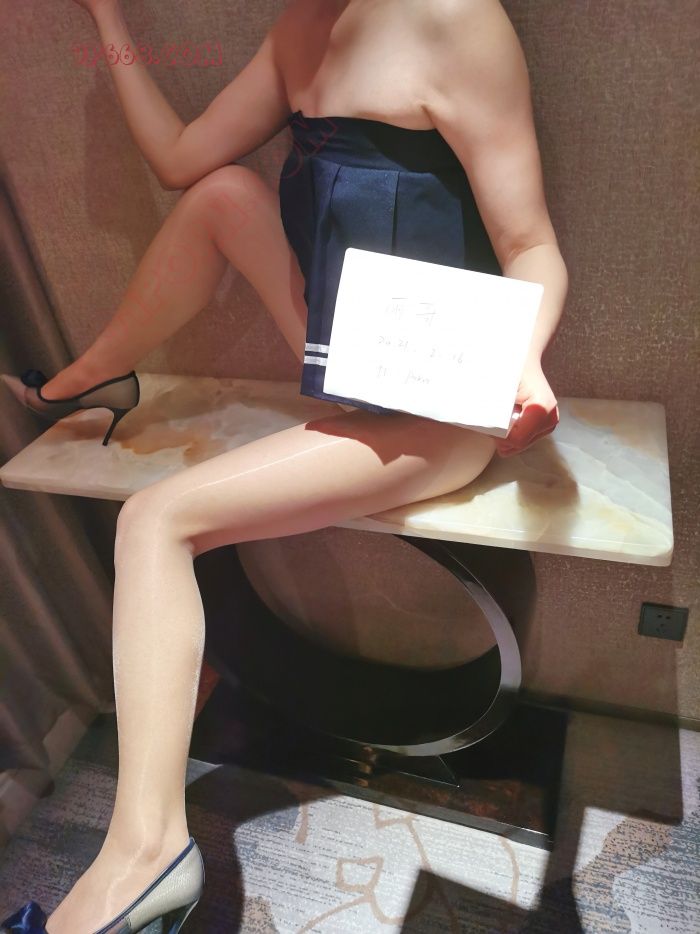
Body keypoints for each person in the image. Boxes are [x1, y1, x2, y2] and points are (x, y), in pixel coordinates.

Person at [1, 0, 567, 930]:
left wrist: (523, 362)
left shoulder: (455, 21)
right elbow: (177, 159)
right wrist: (107, 15)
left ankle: (145, 851)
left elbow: (531, 243)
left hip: (439, 396)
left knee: (154, 521)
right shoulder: (300, 26)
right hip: (343, 348)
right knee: (222, 191)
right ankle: (86, 382)